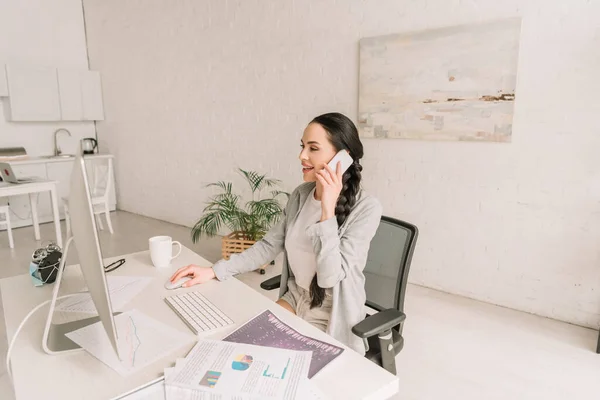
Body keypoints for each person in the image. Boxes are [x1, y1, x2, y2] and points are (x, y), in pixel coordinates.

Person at [170, 112, 382, 354]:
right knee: (241, 349)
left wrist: (327, 209)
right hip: (296, 297)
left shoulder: (367, 209)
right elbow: (268, 246)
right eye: (303, 146)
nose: (302, 156)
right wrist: (214, 270)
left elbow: (328, 278)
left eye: (313, 148)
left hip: (332, 313)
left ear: (342, 158)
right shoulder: (301, 195)